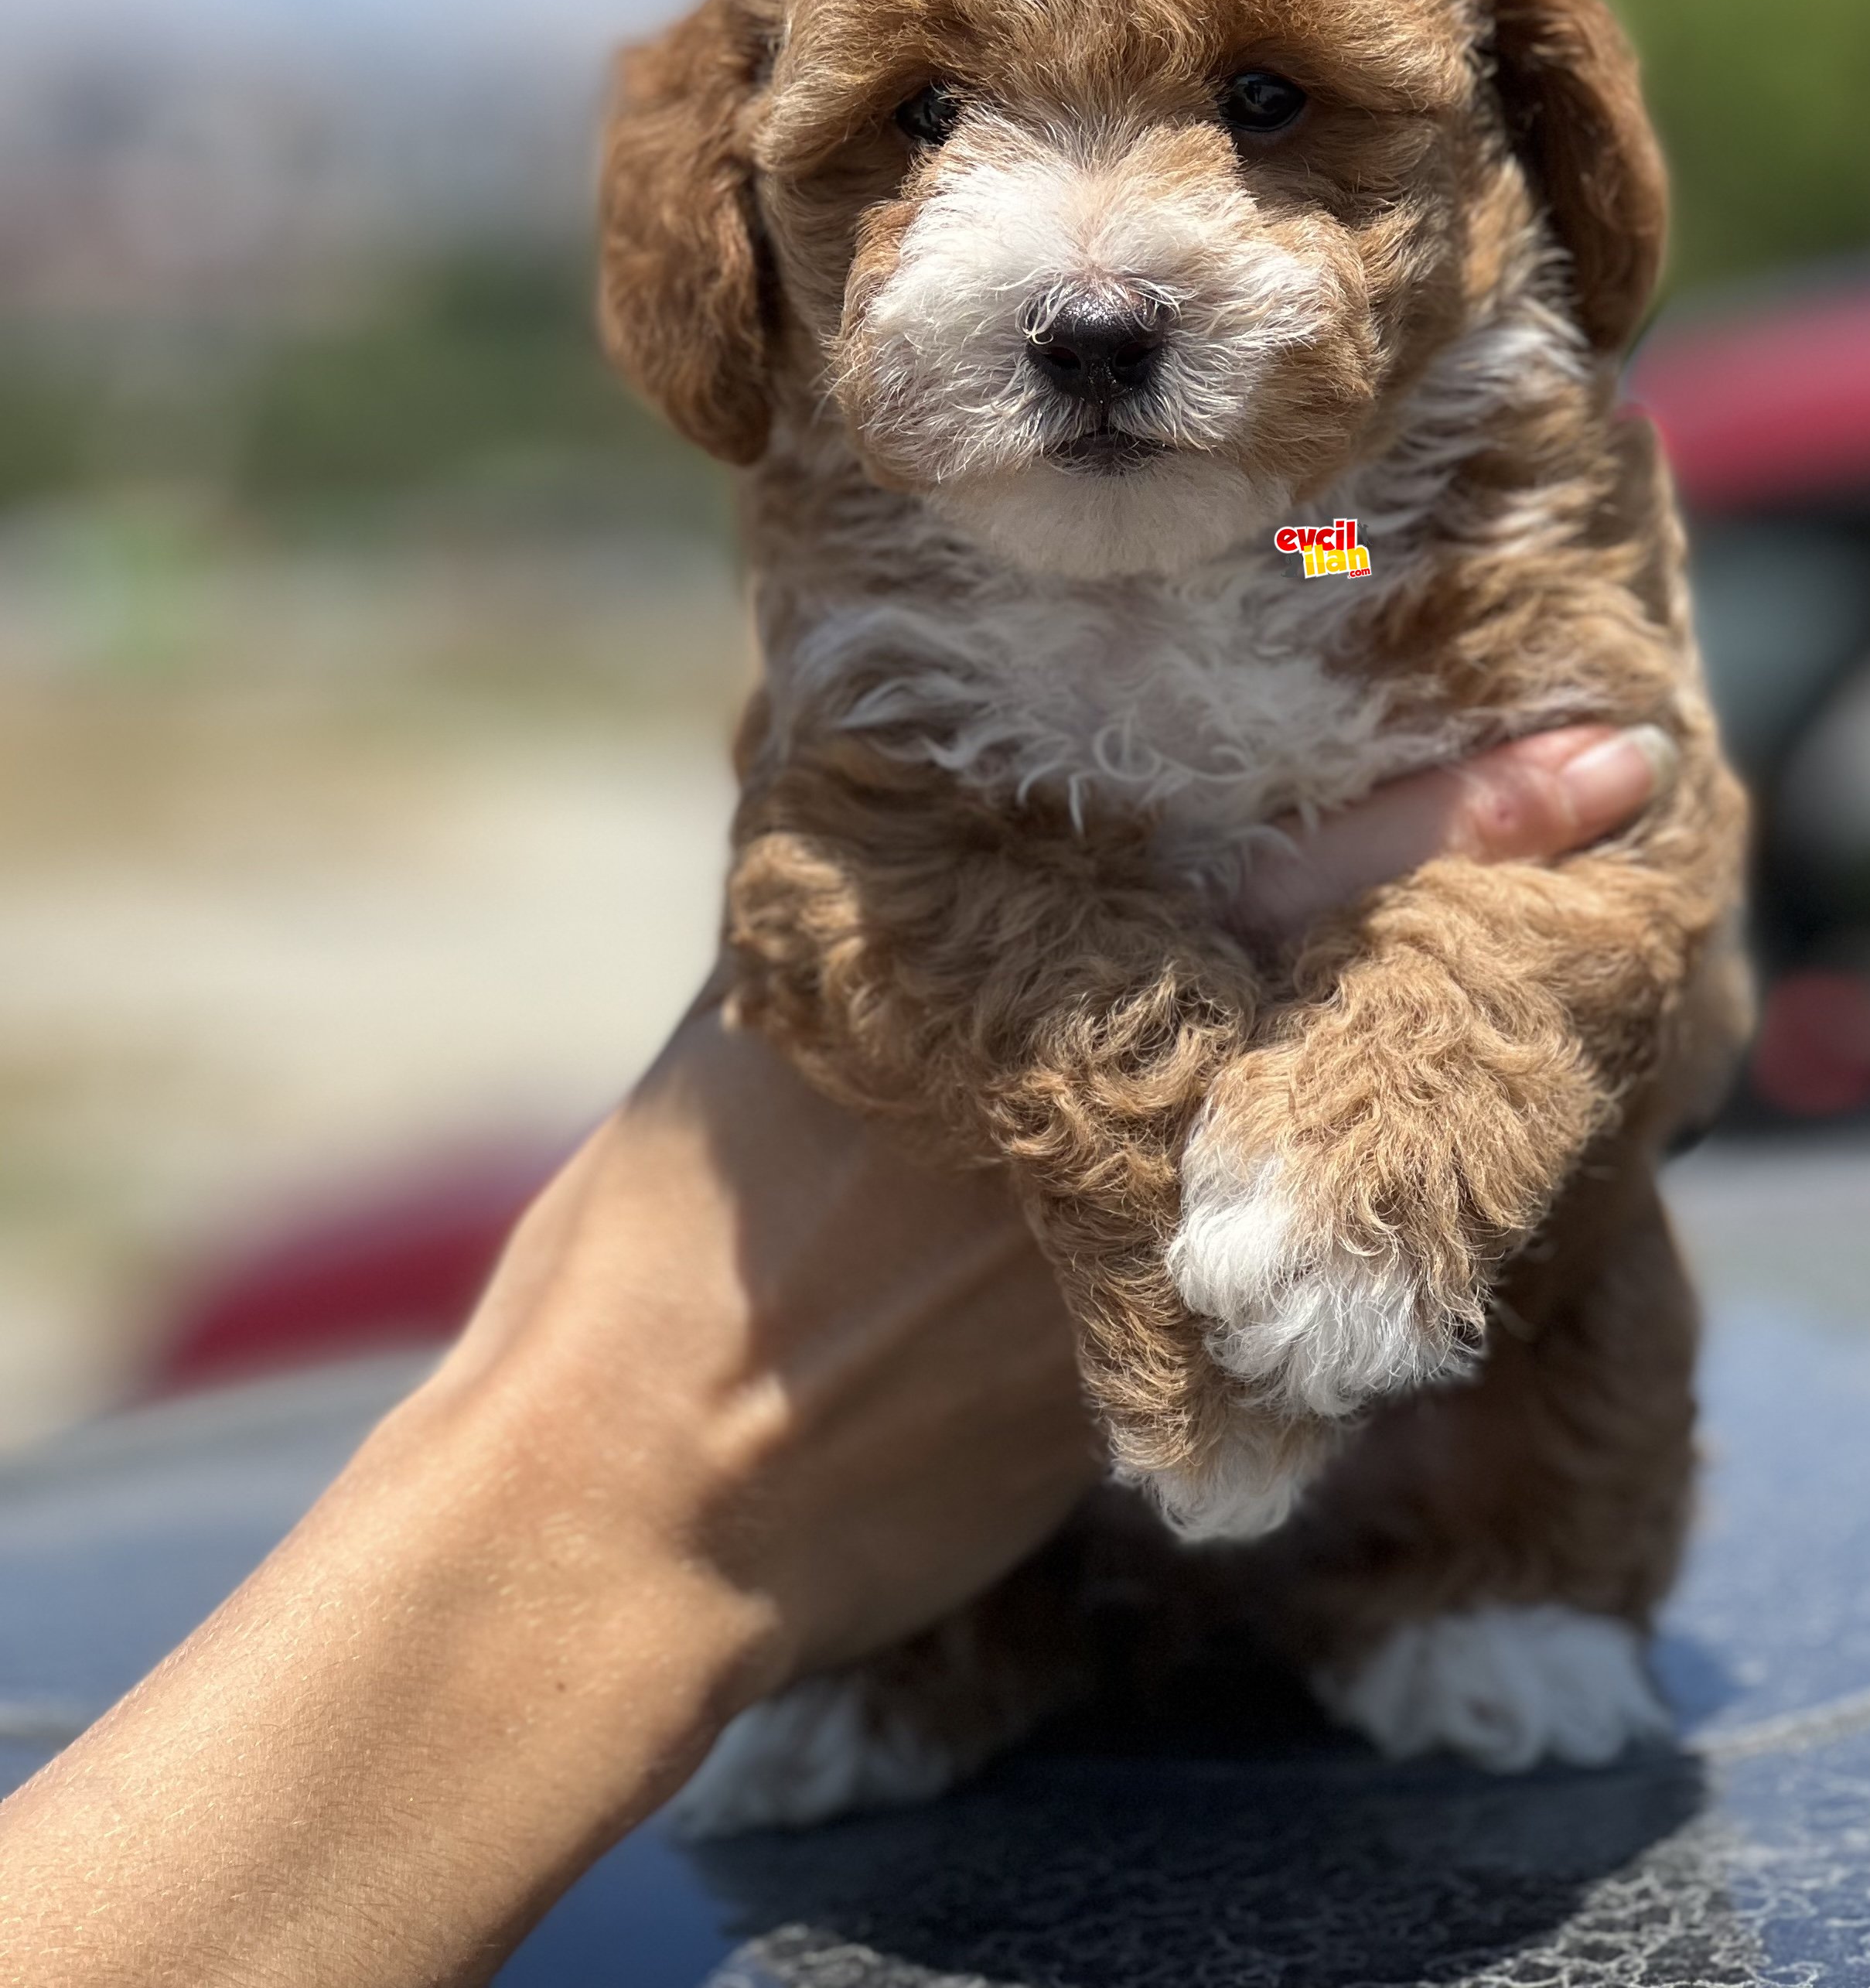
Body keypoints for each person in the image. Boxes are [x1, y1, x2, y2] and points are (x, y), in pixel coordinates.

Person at [0, 724, 1666, 1988]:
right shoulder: (905, 550)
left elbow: (1350, 535)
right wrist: (635, 1498)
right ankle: (959, 1647)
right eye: (880, 233)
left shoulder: (1330, 532)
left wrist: (1316, 528)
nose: (1096, 300)